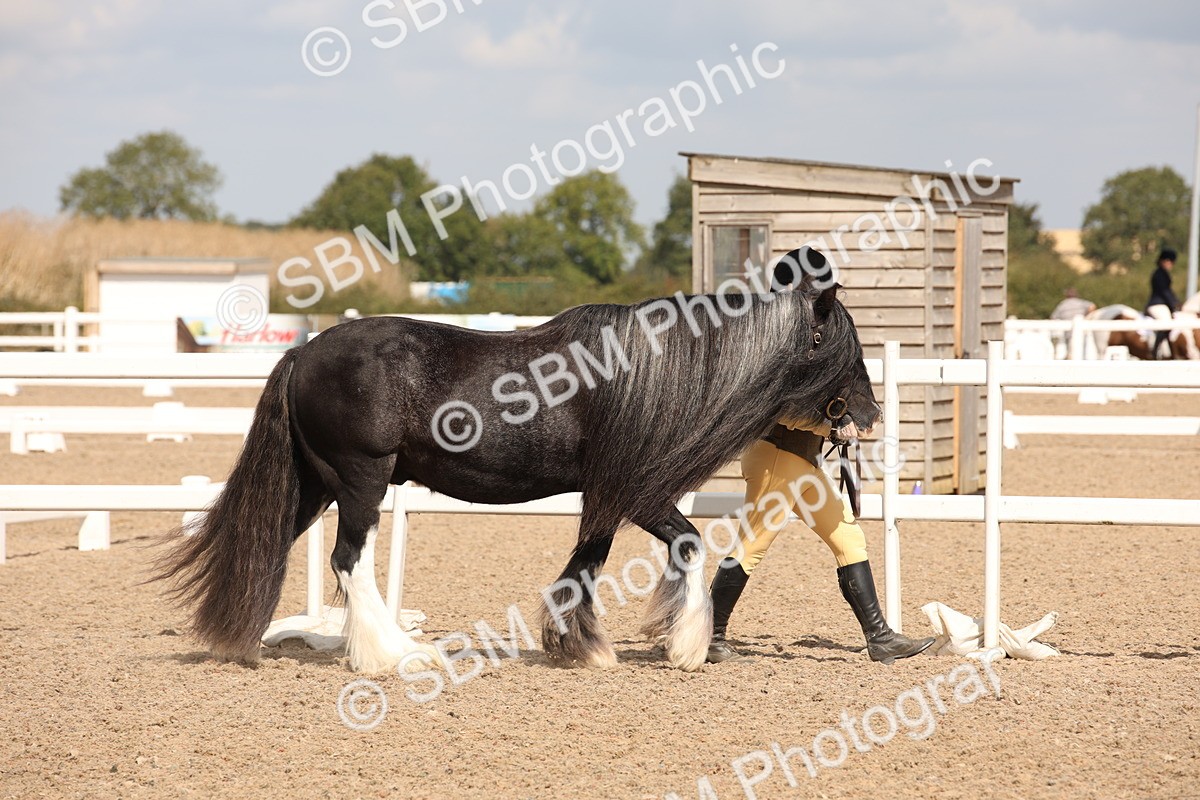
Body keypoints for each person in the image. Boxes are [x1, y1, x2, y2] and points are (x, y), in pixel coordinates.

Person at [707, 247, 935, 665]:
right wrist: (830, 426)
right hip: (777, 455)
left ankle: (879, 638)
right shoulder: (775, 338)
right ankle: (709, 636)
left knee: (847, 536)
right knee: (751, 545)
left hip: (798, 460)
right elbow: (777, 406)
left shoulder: (800, 331)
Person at [1145, 248, 1181, 359]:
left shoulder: (1163, 273)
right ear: (1162, 261)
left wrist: (1177, 302)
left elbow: (1169, 291)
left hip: (1163, 304)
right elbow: (1164, 291)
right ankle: (1155, 351)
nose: (1170, 264)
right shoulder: (1159, 274)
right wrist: (1174, 303)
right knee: (1167, 324)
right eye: (1168, 261)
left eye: (1171, 261)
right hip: (1157, 304)